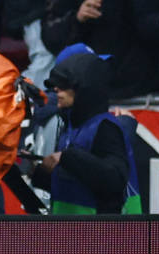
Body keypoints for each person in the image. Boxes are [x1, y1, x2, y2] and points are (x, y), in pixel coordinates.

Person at [32, 52, 142, 214]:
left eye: (64, 85)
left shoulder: (105, 127)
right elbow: (73, 185)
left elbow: (115, 180)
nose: (55, 89)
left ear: (83, 89)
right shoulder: (69, 126)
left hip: (101, 229)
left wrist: (68, 157)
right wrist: (41, 172)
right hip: (69, 227)